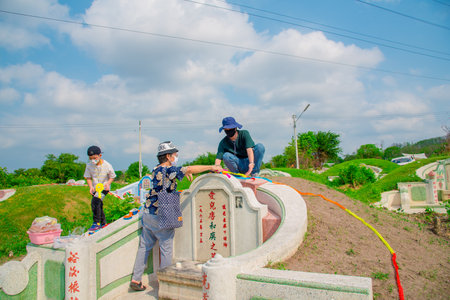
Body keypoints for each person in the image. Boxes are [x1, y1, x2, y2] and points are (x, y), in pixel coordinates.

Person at [130, 141, 222, 291]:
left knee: (144, 247)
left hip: (148, 213)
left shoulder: (156, 169)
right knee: (166, 248)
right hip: (162, 214)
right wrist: (212, 167)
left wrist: (187, 173)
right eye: (175, 155)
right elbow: (189, 168)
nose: (176, 157)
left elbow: (182, 173)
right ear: (168, 156)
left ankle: (136, 278)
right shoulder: (169, 170)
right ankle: (165, 284)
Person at [84, 145, 116, 232]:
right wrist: (90, 187)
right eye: (91, 159)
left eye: (95, 158)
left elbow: (112, 176)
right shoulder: (89, 166)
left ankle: (96, 223)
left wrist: (108, 184)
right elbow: (88, 177)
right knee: (99, 205)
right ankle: (103, 223)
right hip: (95, 188)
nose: (93, 160)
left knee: (95, 202)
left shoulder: (107, 165)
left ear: (100, 155)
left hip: (104, 187)